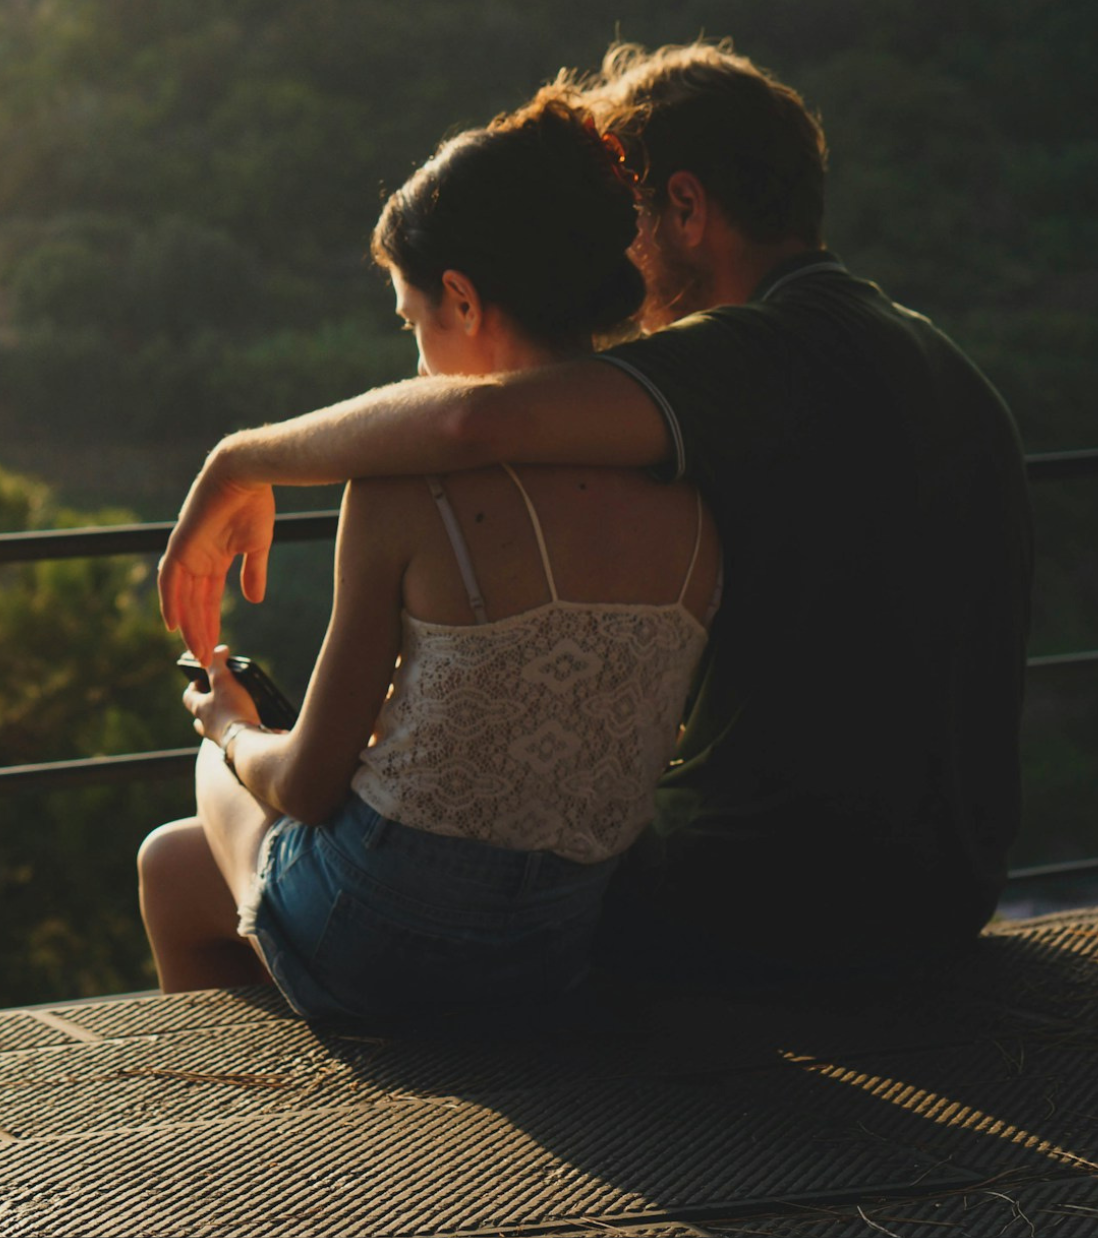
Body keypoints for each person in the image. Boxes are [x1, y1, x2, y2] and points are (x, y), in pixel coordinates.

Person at [156, 41, 1032, 980]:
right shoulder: (940, 362)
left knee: (193, 856)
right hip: (948, 885)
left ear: (687, 209)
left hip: (771, 895)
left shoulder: (757, 355)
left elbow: (469, 419)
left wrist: (238, 458)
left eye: (629, 221)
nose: (616, 258)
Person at [137, 89, 721, 1021]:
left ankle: (232, 1128)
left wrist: (228, 729)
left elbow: (306, 784)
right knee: (181, 857)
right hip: (564, 946)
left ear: (462, 297)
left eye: (413, 323)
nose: (413, 366)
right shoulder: (688, 484)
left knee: (194, 817)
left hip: (387, 943)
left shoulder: (410, 489)